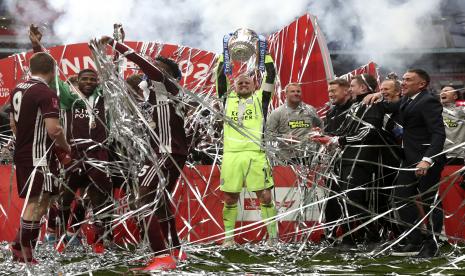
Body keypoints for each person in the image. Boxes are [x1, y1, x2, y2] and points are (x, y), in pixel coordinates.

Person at [100, 35, 188, 271]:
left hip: (167, 152)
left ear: (168, 75)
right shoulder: (153, 96)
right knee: (159, 202)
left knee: (142, 199)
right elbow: (123, 85)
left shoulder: (167, 86)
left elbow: (142, 64)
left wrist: (115, 44)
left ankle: (162, 256)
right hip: (164, 152)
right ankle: (176, 250)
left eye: (159, 69)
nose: (153, 71)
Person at [29, 25, 112, 254]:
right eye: (84, 78)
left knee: (98, 198)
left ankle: (100, 242)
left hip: (99, 154)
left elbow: (110, 76)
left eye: (92, 79)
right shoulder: (69, 97)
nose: (88, 81)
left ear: (96, 82)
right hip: (75, 153)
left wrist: (101, 50)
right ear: (78, 81)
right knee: (64, 196)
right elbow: (51, 75)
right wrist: (37, 46)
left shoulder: (104, 98)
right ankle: (57, 234)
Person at [364, 69, 446, 258]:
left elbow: (438, 133)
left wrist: (427, 160)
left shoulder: (428, 101)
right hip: (409, 159)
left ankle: (432, 244)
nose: (403, 82)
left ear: (422, 84)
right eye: (403, 79)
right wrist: (378, 95)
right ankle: (415, 238)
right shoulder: (407, 100)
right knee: (399, 199)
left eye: (408, 80)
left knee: (430, 202)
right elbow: (388, 107)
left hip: (426, 161)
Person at [9, 51, 71, 263]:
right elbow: (54, 130)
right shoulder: (46, 93)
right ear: (52, 71)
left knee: (44, 200)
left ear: (31, 68)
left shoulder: (18, 88)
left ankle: (20, 244)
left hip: (24, 153)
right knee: (37, 203)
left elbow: (12, 124)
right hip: (39, 157)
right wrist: (67, 147)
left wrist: (25, 142)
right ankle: (22, 251)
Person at [313, 74, 385, 246]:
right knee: (340, 199)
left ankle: (370, 235)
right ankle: (348, 237)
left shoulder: (370, 103)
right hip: (343, 158)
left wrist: (338, 140)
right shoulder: (355, 106)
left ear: (363, 88)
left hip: (360, 158)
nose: (351, 89)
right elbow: (345, 131)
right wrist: (326, 137)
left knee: (353, 199)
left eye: (352, 86)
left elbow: (368, 132)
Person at [215, 53, 277, 246]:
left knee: (265, 196)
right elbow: (219, 76)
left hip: (255, 154)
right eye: (239, 83)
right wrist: (224, 54)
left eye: (247, 83)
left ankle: (273, 238)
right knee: (230, 197)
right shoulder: (227, 99)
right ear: (234, 86)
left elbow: (271, 74)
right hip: (231, 155)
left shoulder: (261, 98)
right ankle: (228, 238)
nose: (243, 85)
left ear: (254, 86)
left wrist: (264, 53)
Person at [320, 78, 352, 240]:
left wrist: (334, 140)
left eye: (334, 91)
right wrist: (320, 135)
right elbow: (329, 133)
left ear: (346, 90)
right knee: (331, 198)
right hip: (333, 161)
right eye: (329, 91)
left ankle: (349, 236)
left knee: (348, 198)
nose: (330, 94)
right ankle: (330, 234)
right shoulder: (331, 111)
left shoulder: (355, 108)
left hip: (351, 161)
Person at [266, 82, 322, 165]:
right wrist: (283, 138)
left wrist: (318, 132)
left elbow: (321, 125)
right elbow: (268, 134)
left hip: (310, 156)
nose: (296, 93)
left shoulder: (310, 110)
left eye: (298, 91)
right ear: (286, 94)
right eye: (292, 91)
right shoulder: (277, 113)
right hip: (287, 158)